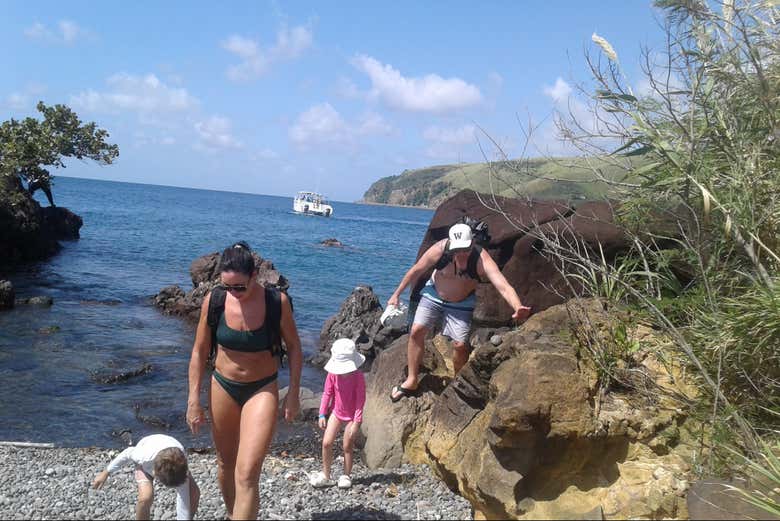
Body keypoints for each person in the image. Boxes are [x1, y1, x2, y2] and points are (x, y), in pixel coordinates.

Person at [186, 241, 302, 520]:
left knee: (247, 471)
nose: (234, 293)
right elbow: (200, 351)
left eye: (240, 286)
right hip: (222, 386)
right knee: (226, 463)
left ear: (254, 276)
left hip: (261, 388)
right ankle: (232, 514)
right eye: (228, 287)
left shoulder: (277, 302)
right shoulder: (214, 301)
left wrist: (294, 393)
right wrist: (193, 400)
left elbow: (295, 348)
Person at [387, 222, 531, 402]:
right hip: (434, 294)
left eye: (465, 249)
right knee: (416, 331)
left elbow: (502, 285)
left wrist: (517, 307)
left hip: (461, 302)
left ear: (472, 243)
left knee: (460, 345)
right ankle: (412, 379)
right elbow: (415, 271)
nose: (461, 253)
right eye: (457, 250)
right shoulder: (439, 250)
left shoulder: (481, 259)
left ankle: (458, 381)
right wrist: (396, 294)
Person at [91, 433, 200, 520]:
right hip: (146, 455)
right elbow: (127, 453)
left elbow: (184, 501)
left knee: (193, 493)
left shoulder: (181, 468)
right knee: (145, 498)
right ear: (155, 473)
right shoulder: (142, 456)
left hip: (170, 454)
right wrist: (106, 472)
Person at [309, 338, 366, 489]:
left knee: (347, 446)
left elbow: (361, 400)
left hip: (352, 416)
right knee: (326, 443)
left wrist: (357, 422)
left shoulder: (358, 376)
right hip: (336, 412)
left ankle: (346, 475)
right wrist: (322, 414)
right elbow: (327, 394)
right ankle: (326, 475)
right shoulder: (332, 375)